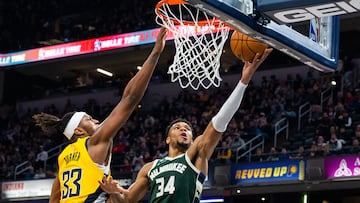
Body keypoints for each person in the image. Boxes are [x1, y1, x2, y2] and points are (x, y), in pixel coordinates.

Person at [99, 48, 273, 203]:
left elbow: (219, 123)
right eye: (178, 128)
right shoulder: (150, 167)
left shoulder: (196, 154)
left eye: (188, 129)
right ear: (167, 139)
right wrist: (113, 192)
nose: (184, 129)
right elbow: (128, 199)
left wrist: (243, 82)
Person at [32, 27, 167, 203]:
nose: (96, 120)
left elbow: (54, 199)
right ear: (79, 131)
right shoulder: (94, 141)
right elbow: (130, 98)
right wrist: (155, 53)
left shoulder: (63, 156)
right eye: (88, 119)